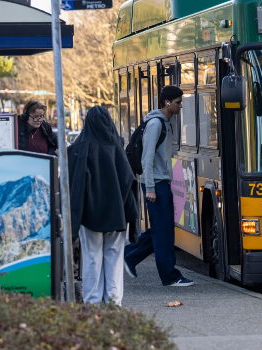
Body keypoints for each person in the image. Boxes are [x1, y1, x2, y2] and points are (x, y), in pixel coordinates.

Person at [123, 86, 194, 287]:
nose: (180, 106)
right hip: (155, 183)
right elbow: (147, 157)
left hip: (160, 181)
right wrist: (151, 187)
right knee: (163, 232)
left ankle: (129, 256)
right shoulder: (156, 123)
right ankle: (170, 276)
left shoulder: (164, 122)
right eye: (178, 102)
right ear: (167, 103)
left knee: (160, 228)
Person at [67, 105, 139, 305]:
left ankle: (92, 301)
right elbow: (129, 182)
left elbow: (72, 186)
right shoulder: (117, 148)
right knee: (115, 256)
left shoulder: (78, 149)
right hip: (117, 215)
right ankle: (113, 301)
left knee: (91, 257)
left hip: (89, 216)